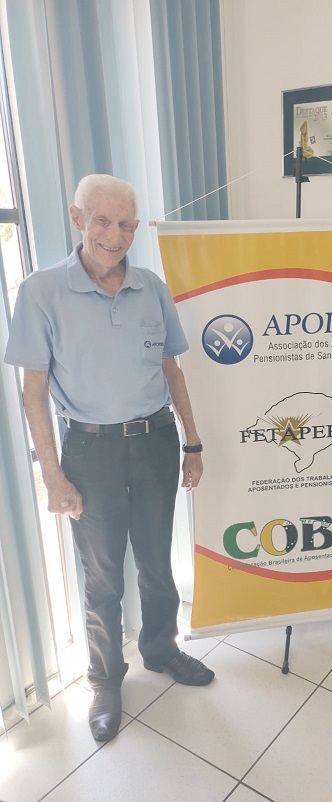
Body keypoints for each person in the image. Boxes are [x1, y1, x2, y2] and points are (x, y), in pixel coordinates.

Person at [5, 175, 214, 743]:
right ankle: (104, 679)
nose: (114, 235)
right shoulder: (42, 292)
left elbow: (172, 371)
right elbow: (33, 392)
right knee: (101, 578)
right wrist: (53, 475)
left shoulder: (152, 288)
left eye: (125, 225)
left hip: (154, 441)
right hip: (90, 449)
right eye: (102, 220)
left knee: (156, 561)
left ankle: (161, 650)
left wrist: (193, 442)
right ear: (78, 219)